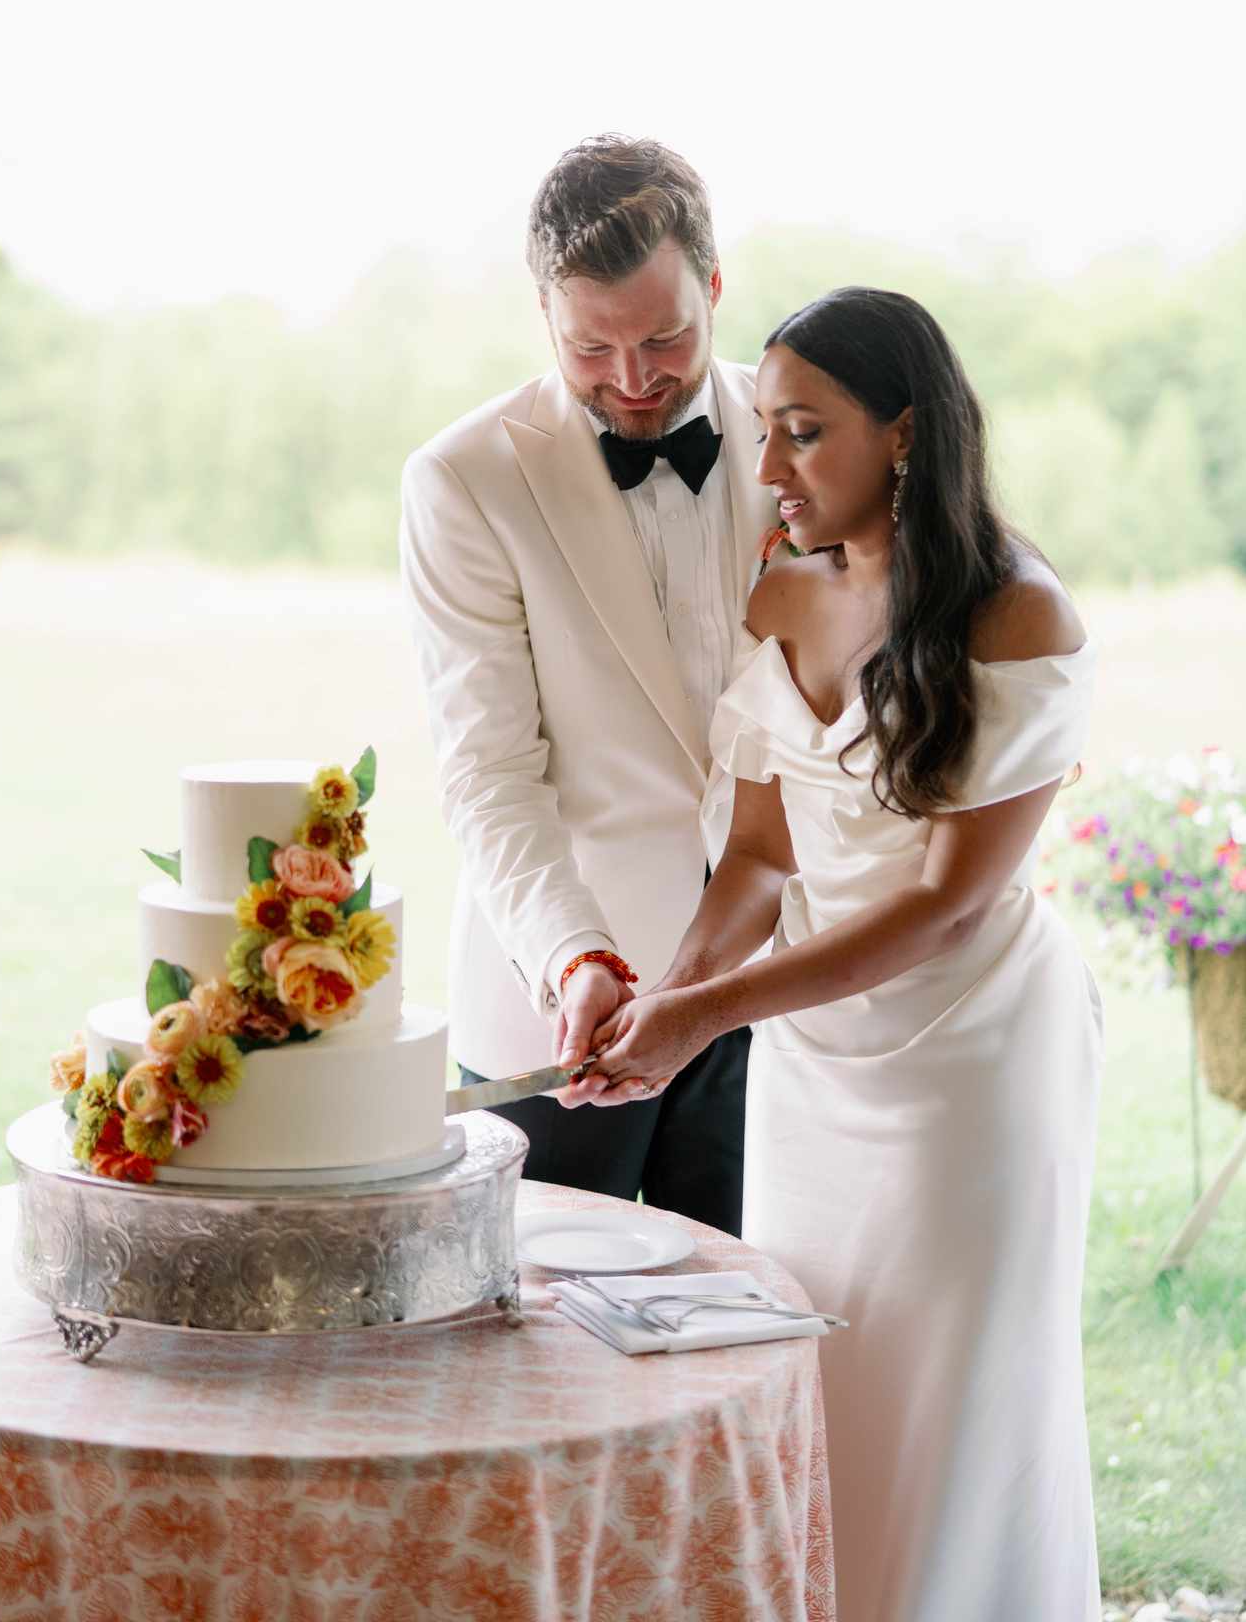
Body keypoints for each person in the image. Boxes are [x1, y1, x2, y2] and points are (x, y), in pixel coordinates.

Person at [570, 285, 1104, 1622]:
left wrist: (720, 1012)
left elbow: (948, 908)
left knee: (950, 1413)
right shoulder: (787, 592)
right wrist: (669, 1000)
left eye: (804, 433)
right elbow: (759, 856)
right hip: (817, 1071)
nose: (768, 470)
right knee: (819, 1390)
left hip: (967, 1066)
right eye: (764, 430)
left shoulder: (1019, 619)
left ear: (907, 433)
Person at [399, 135, 777, 1232]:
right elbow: (490, 774)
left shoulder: (801, 440)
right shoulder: (465, 481)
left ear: (713, 285)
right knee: (554, 1337)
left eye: (664, 336)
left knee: (761, 1320)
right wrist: (574, 955)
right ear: (545, 317)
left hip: (779, 995)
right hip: (570, 1013)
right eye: (590, 348)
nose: (633, 378)